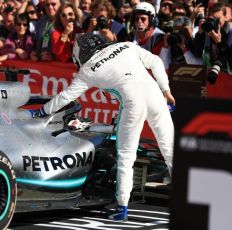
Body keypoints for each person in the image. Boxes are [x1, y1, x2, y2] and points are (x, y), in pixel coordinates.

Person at [30, 33, 175, 221]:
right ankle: (188, 200)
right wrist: (166, 89)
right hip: (156, 95)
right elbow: (155, 61)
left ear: (80, 55)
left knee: (126, 156)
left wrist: (41, 112)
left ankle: (122, 207)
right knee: (170, 150)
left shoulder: (88, 70)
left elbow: (66, 97)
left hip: (133, 104)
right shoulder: (127, 45)